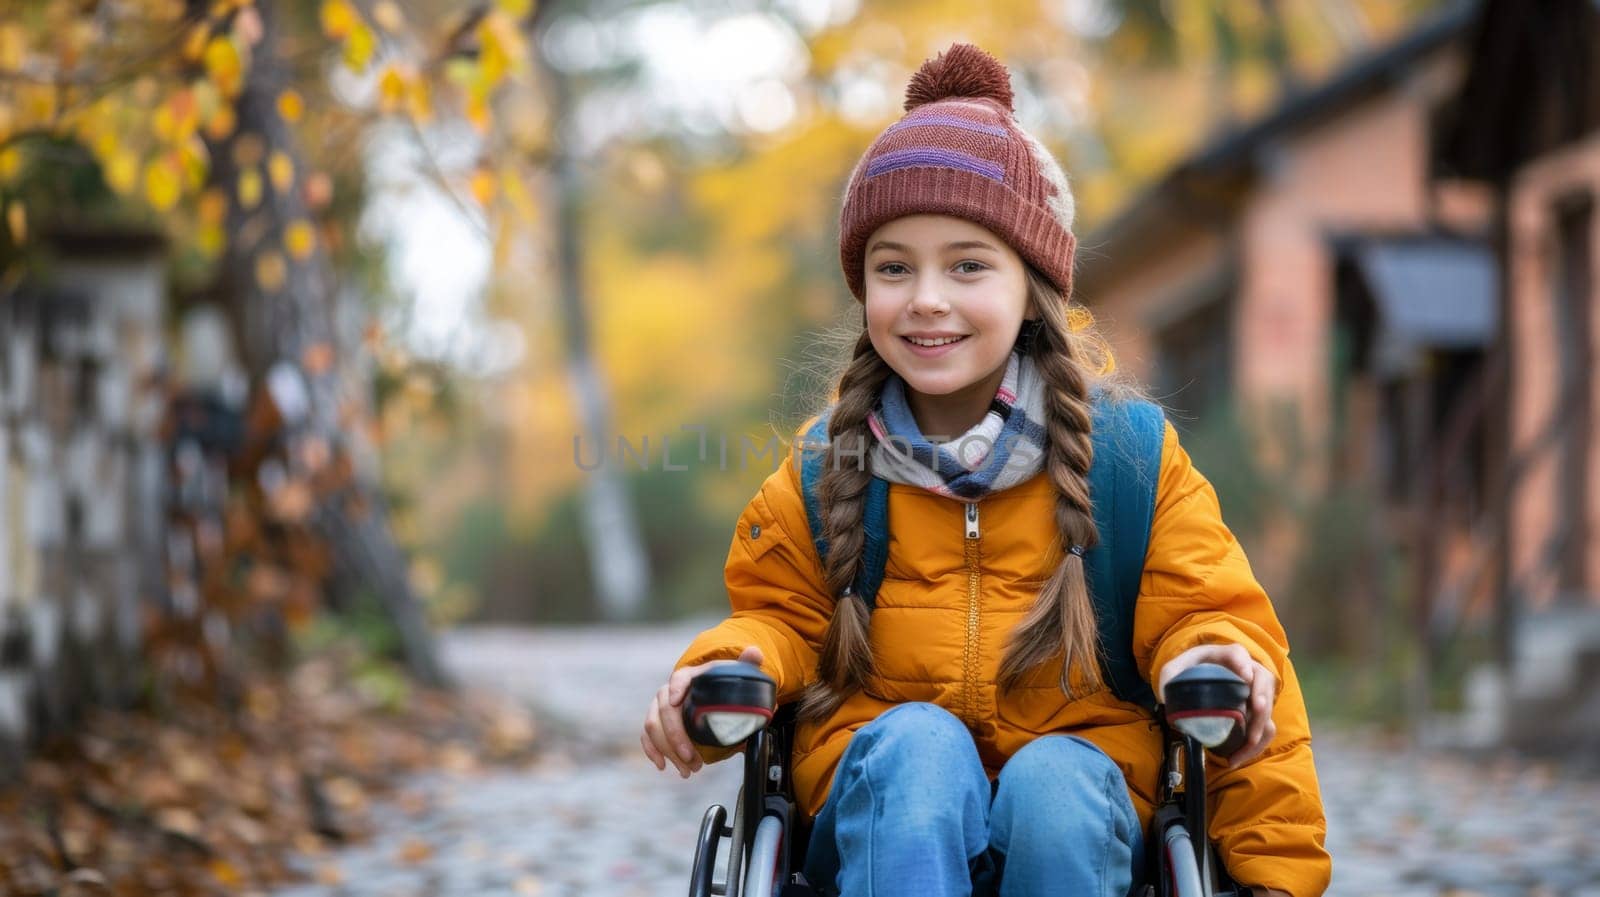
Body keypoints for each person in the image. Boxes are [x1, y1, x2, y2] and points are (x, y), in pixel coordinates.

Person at [640, 43, 1330, 897]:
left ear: (1033, 284)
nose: (927, 297)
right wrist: (722, 671)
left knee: (1054, 784)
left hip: (1085, 818)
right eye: (894, 267)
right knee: (918, 749)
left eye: (968, 263)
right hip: (882, 821)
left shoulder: (1130, 463)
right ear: (865, 290)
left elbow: (1214, 623)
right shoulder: (828, 468)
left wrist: (1214, 681)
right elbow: (779, 617)